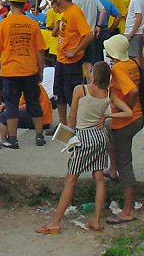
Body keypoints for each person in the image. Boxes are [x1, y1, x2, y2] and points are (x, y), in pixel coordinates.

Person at [35, 61, 132, 235]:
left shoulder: (81, 90)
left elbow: (72, 117)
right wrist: (107, 116)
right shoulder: (108, 93)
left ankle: (55, 223)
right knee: (99, 177)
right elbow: (128, 112)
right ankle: (96, 220)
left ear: (94, 73)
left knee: (71, 179)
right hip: (100, 136)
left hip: (83, 136)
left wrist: (68, 137)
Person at [0, 0, 47, 149]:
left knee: (11, 105)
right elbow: (40, 51)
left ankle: (13, 139)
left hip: (10, 70)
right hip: (30, 69)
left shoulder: (4, 24)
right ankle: (39, 136)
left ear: (11, 4)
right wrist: (40, 70)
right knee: (34, 103)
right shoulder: (33, 24)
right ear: (24, 6)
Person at [103, 34, 144, 226]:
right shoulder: (132, 64)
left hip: (126, 122)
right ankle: (113, 170)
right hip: (137, 118)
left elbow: (133, 91)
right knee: (108, 129)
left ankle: (128, 211)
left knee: (125, 164)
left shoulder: (118, 69)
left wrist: (127, 108)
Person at [51, 0, 94, 129]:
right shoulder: (66, 12)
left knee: (72, 94)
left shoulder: (75, 12)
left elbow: (88, 35)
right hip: (61, 59)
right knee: (58, 93)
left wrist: (75, 51)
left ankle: (75, 124)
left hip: (71, 61)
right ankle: (63, 125)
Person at [122, 0, 144, 67]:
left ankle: (139, 73)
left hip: (134, 32)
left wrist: (131, 33)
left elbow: (138, 18)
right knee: (139, 55)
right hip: (138, 32)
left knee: (134, 57)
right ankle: (143, 72)